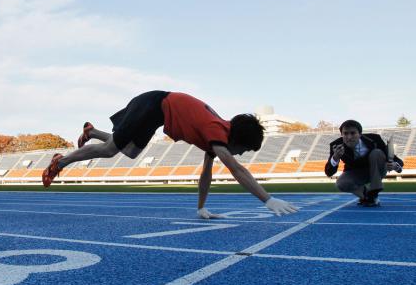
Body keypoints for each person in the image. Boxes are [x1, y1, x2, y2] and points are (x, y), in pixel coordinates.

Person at [41, 90, 299, 218]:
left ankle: (92, 131)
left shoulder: (218, 135)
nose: (240, 154)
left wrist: (201, 208)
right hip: (153, 105)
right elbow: (235, 169)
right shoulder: (216, 131)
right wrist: (267, 199)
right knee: (111, 151)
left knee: (129, 152)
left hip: (156, 109)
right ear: (237, 139)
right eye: (243, 149)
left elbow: (206, 173)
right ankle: (60, 162)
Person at [324, 119, 403, 206]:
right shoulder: (336, 145)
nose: (349, 137)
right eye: (345, 133)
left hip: (377, 170)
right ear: (342, 134)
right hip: (355, 173)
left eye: (353, 133)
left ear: (360, 134)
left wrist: (396, 166)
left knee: (377, 153)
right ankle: (368, 197)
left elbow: (396, 159)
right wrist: (335, 157)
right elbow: (329, 172)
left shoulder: (375, 139)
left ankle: (374, 189)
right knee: (341, 183)